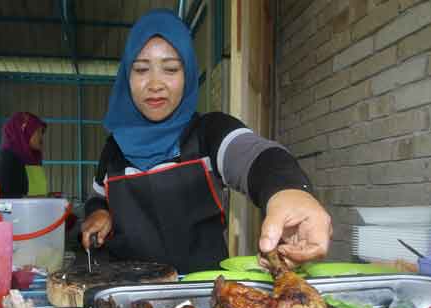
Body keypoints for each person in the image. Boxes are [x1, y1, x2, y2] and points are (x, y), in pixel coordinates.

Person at [81, 9, 331, 274]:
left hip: (202, 299)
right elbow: (98, 198)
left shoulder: (209, 132)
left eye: (170, 69)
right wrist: (99, 214)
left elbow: (254, 156)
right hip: (127, 297)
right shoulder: (114, 148)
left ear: (187, 74)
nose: (155, 84)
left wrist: (289, 190)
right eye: (142, 69)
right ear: (126, 78)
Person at [0, 112, 48, 199]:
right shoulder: (2, 160)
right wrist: (27, 202)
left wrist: (48, 198)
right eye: (38, 132)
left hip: (34, 212)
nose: (41, 137)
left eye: (42, 132)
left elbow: (34, 194)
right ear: (23, 131)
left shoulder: (33, 160)